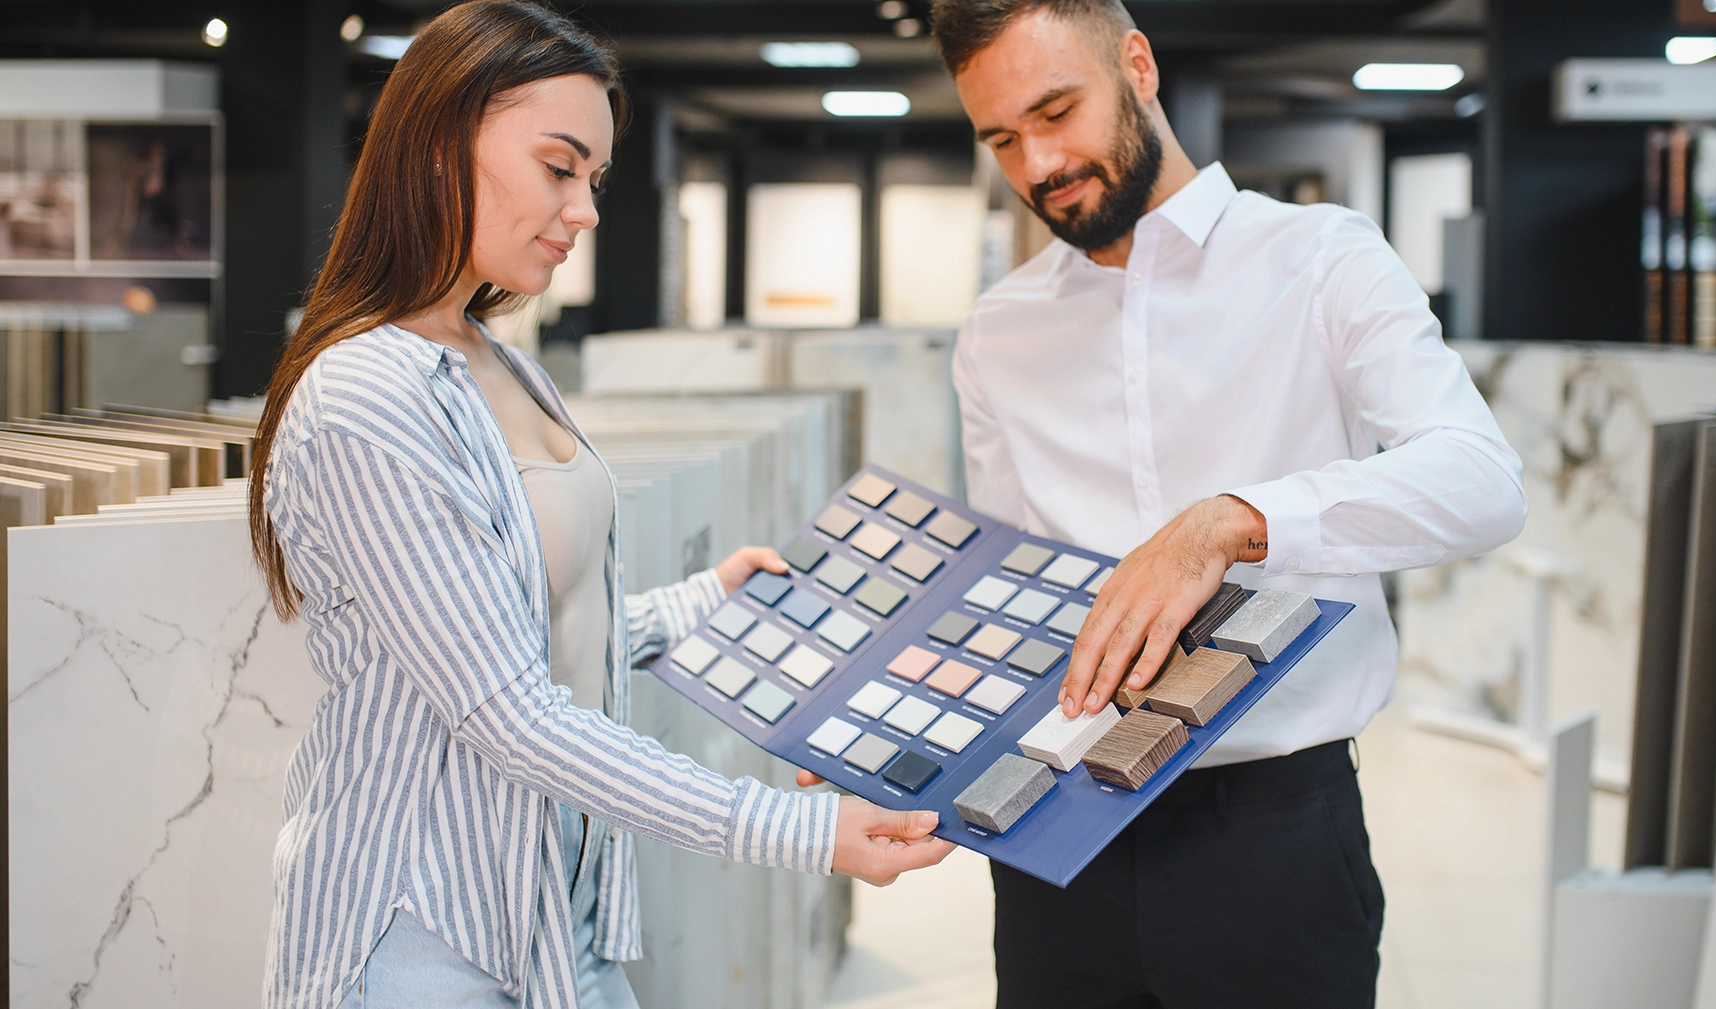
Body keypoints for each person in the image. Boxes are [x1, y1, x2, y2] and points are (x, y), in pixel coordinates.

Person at [248, 5, 951, 1008]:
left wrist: (699, 602)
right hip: (419, 931)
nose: (583, 210)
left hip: (553, 907)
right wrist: (798, 831)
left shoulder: (508, 367)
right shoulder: (363, 396)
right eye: (557, 166)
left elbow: (523, 633)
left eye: (594, 178)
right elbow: (506, 709)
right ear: (441, 146)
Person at [931, 1, 1529, 1005]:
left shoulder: (1319, 259)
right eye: (1000, 138)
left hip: (1269, 840)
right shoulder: (996, 335)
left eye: (1055, 111)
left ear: (1135, 65)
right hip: (1053, 834)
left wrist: (1231, 520)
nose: (1036, 163)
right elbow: (1019, 598)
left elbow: (1481, 480)